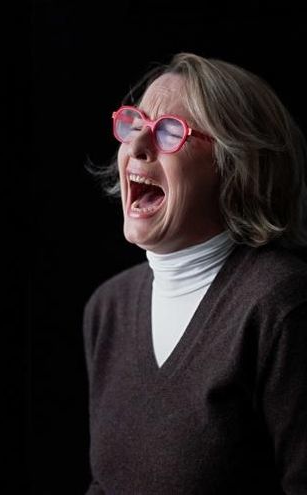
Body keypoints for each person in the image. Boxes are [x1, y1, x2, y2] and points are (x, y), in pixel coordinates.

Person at [84, 52, 307, 493]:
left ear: (237, 166)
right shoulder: (106, 308)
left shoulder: (281, 305)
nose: (138, 145)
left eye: (169, 132)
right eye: (135, 123)